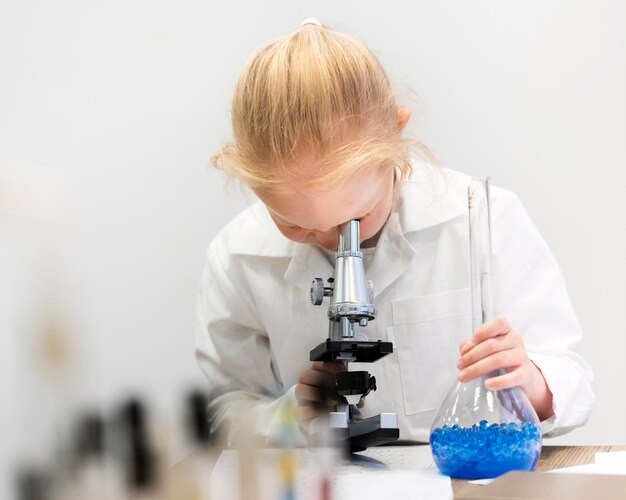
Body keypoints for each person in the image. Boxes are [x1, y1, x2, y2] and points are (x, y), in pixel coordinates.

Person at [195, 20, 594, 445]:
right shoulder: (236, 256)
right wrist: (292, 412)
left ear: (397, 137)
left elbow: (573, 380)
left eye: (356, 218)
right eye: (296, 225)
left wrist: (530, 380)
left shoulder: (483, 219)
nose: (332, 242)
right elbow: (224, 411)